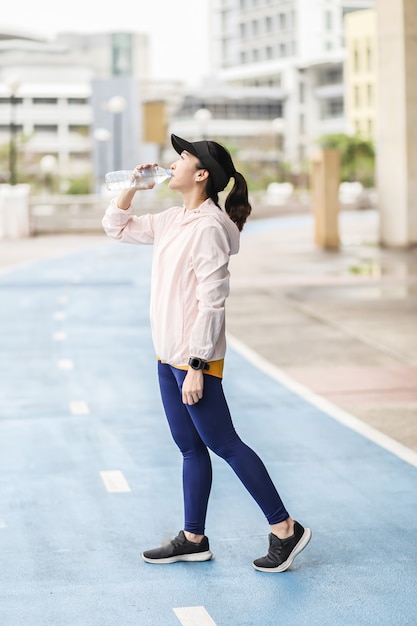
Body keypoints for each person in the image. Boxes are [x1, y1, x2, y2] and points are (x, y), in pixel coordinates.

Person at [102, 134, 311, 573]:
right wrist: (132, 188)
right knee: (190, 448)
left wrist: (197, 366)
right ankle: (193, 538)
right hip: (167, 355)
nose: (171, 164)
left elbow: (213, 301)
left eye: (182, 158)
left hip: (193, 359)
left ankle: (285, 528)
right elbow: (115, 227)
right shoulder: (173, 219)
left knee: (224, 443)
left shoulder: (209, 228)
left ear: (201, 175)